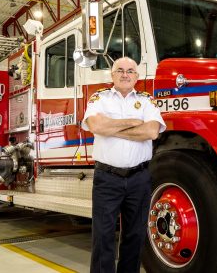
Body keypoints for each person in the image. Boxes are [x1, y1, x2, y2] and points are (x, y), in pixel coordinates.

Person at [82, 57, 166, 273]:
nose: (125, 74)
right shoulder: (99, 98)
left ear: (137, 77)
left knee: (135, 235)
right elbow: (96, 125)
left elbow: (151, 131)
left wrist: (112, 128)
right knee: (103, 236)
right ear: (112, 75)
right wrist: (132, 122)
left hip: (139, 179)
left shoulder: (147, 100)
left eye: (130, 71)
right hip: (107, 179)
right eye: (120, 70)